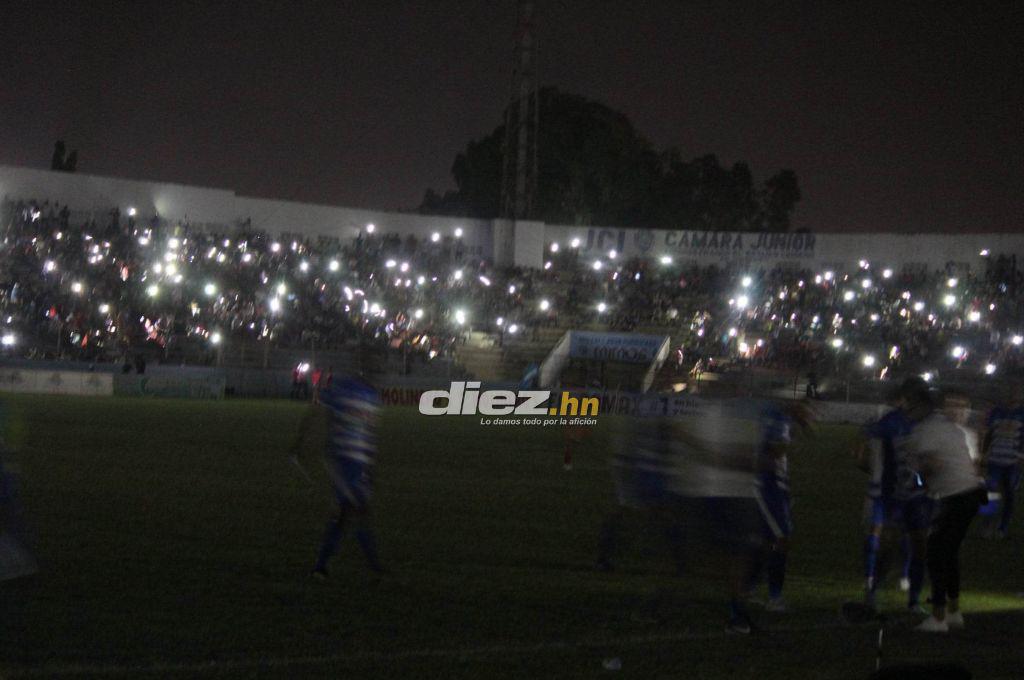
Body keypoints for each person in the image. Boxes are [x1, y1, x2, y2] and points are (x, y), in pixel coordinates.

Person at [291, 348, 385, 578]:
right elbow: (317, 411)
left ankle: (325, 566)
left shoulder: (372, 395)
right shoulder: (343, 386)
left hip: (359, 463)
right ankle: (369, 568)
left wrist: (369, 467)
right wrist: (300, 443)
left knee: (349, 514)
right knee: (353, 511)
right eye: (373, 366)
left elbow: (369, 433)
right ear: (363, 366)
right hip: (342, 461)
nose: (376, 371)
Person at [903, 386, 988, 633]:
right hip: (969, 495)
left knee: (936, 554)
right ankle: (953, 611)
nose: (906, 410)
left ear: (920, 405)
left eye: (909, 404)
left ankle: (938, 617)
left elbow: (934, 464)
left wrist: (917, 471)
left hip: (956, 496)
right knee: (948, 553)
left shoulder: (926, 430)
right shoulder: (947, 428)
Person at [858, 380, 930, 613]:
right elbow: (867, 450)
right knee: (885, 544)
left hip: (917, 495)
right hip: (891, 495)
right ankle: (871, 590)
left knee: (918, 545)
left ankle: (913, 601)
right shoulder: (890, 422)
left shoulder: (928, 424)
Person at [981, 387, 1024, 539]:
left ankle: (1002, 527)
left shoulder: (1022, 413)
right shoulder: (996, 412)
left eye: (1016, 392)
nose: (1012, 395)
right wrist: (983, 453)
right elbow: (989, 434)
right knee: (990, 494)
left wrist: (1021, 457)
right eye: (1010, 392)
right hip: (995, 460)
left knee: (1009, 495)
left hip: (1012, 462)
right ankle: (987, 525)